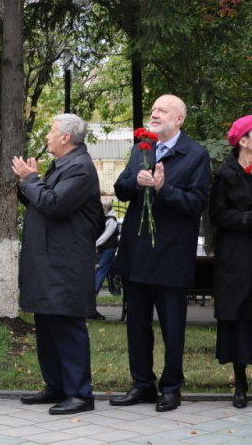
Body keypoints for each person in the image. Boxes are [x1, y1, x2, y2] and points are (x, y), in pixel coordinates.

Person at [110, 94, 211, 412]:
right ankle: (142, 385)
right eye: (153, 109)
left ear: (178, 119)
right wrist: (137, 182)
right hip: (137, 253)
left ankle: (171, 388)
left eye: (162, 110)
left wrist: (162, 189)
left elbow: (196, 204)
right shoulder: (143, 147)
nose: (154, 114)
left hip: (171, 256)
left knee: (172, 328)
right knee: (136, 326)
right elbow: (120, 187)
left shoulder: (196, 155)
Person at [12, 113, 103, 415]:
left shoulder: (80, 168)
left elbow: (54, 204)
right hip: (48, 261)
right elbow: (43, 200)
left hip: (65, 264)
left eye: (52, 132)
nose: (48, 137)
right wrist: (28, 183)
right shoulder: (63, 165)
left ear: (66, 137)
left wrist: (30, 180)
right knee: (48, 324)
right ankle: (56, 385)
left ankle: (80, 394)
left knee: (67, 326)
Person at [209, 114, 252, 409]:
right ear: (244, 141)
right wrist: (248, 218)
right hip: (237, 257)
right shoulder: (225, 175)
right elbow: (217, 215)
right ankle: (240, 383)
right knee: (239, 319)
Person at [92, 198, 120, 314]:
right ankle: (115, 289)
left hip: (110, 248)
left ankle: (94, 291)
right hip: (106, 248)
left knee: (102, 269)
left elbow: (106, 235)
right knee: (111, 270)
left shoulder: (111, 220)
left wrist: (96, 244)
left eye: (103, 207)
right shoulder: (105, 218)